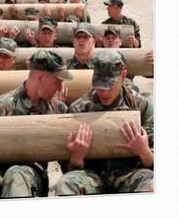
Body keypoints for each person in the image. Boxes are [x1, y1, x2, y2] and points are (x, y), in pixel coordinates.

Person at [0, 49, 73, 200]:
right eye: (57, 82)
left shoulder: (58, 110)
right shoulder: (1, 106)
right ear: (41, 77)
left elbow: (67, 163)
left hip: (30, 175)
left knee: (16, 174)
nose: (60, 89)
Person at [55, 50, 154, 195]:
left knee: (152, 184)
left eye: (109, 85)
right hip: (93, 178)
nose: (104, 92)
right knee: (66, 184)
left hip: (129, 175)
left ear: (124, 75)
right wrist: (76, 159)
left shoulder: (142, 106)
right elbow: (67, 170)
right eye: (99, 86)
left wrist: (144, 152)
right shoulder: (78, 110)